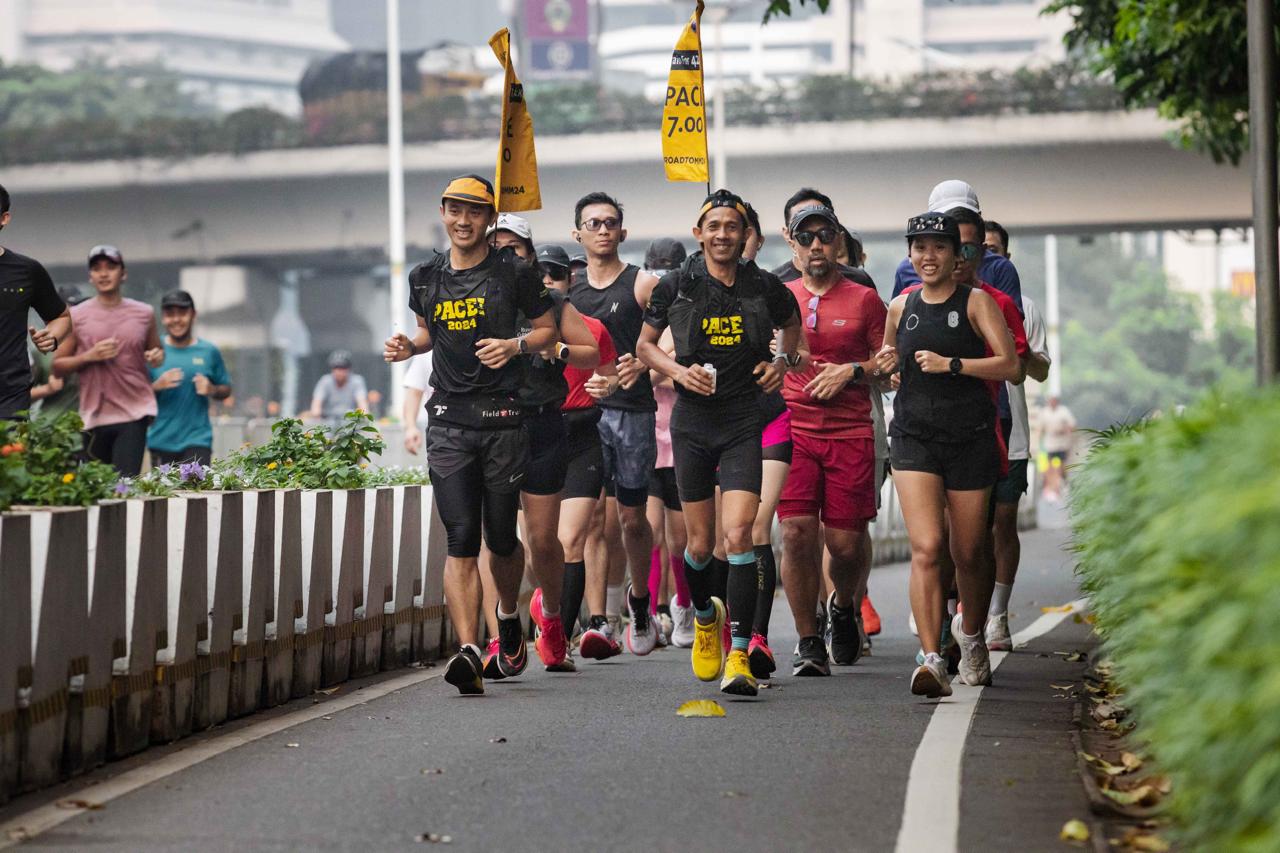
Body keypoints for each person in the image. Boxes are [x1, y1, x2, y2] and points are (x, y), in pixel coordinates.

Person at [384, 174, 556, 696]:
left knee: (501, 536)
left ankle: (507, 615)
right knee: (461, 535)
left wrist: (515, 345)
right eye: (456, 210)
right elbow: (429, 332)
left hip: (504, 420)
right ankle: (468, 649)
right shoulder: (425, 276)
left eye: (475, 212)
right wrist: (408, 348)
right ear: (442, 212)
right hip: (449, 423)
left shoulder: (515, 274)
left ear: (490, 218)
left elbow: (547, 330)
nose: (464, 221)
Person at [638, 188, 801, 697]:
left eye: (733, 227)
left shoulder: (765, 286)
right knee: (699, 545)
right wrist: (678, 372)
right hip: (692, 425)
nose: (723, 235)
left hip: (742, 422)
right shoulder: (677, 285)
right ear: (699, 234)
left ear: (745, 234)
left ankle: (737, 654)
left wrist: (780, 363)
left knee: (741, 536)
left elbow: (792, 327)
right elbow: (644, 347)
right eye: (715, 227)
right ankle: (706, 614)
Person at [879, 212, 1020, 698]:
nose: (928, 257)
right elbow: (886, 369)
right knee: (927, 548)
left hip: (970, 438)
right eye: (918, 248)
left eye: (938, 247)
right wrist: (884, 371)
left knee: (970, 552)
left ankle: (973, 635)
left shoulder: (977, 302)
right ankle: (933, 658)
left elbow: (1012, 366)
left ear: (957, 254)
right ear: (910, 254)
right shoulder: (900, 307)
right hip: (914, 438)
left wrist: (952, 364)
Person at [777, 204, 887, 676]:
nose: (816, 245)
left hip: (849, 432)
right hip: (793, 430)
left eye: (825, 236)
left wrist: (852, 371)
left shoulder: (864, 298)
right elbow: (765, 359)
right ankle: (807, 639)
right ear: (793, 245)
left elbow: (890, 361)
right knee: (796, 534)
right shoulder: (780, 298)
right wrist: (782, 361)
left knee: (845, 545)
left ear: (838, 241)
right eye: (807, 237)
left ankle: (843, 605)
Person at [568, 192, 665, 657]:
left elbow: (671, 340)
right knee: (591, 520)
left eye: (610, 223)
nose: (602, 230)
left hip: (633, 414)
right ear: (578, 234)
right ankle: (600, 621)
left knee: (630, 518)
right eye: (593, 223)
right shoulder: (567, 292)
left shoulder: (642, 284)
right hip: (586, 416)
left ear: (622, 233)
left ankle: (641, 601)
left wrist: (642, 367)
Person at [508, 226, 602, 675]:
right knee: (499, 539)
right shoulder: (479, 300)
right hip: (497, 429)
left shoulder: (557, 308)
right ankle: (499, 634)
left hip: (566, 430)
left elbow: (596, 357)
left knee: (555, 542)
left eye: (553, 271)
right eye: (499, 247)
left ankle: (554, 618)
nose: (547, 276)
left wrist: (558, 350)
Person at [535, 243, 620, 671]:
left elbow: (609, 376)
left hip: (584, 434)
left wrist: (606, 386)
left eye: (556, 274)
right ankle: (542, 611)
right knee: (540, 545)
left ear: (569, 282)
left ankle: (559, 639)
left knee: (572, 540)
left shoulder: (592, 330)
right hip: (538, 438)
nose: (548, 281)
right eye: (541, 274)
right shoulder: (518, 334)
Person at [983, 220, 1051, 651]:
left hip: (1015, 435)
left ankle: (997, 616)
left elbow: (1040, 369)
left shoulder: (1023, 305)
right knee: (966, 528)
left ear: (1006, 259)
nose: (985, 258)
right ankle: (955, 610)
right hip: (969, 431)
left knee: (1002, 524)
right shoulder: (953, 302)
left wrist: (1013, 351)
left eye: (993, 252)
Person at [53, 245, 164, 477]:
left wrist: (156, 356)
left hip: (134, 411)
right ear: (90, 277)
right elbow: (58, 365)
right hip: (93, 416)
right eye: (96, 268)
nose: (103, 273)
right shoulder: (77, 315)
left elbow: (156, 350)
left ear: (123, 273)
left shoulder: (144, 313)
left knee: (125, 486)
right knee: (99, 489)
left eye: (110, 267)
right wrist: (89, 356)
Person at [641, 237, 692, 648]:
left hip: (682, 434)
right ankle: (651, 613)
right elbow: (647, 369)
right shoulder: (638, 318)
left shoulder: (687, 312)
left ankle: (684, 605)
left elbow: (660, 370)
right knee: (649, 530)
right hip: (644, 434)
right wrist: (662, 362)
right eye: (654, 266)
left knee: (681, 536)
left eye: (668, 267)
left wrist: (659, 363)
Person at [0, 183, 73, 421]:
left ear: (4, 218)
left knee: (11, 458)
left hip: (11, 393)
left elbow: (61, 317)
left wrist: (51, 337)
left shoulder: (27, 270)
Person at [892, 180, 1022, 312]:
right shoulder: (907, 270)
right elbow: (897, 321)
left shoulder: (999, 268)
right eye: (947, 217)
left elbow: (1010, 320)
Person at [146, 290, 232, 468]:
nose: (176, 320)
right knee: (163, 495)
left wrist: (212, 389)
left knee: (197, 494)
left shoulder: (209, 351)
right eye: (170, 314)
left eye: (182, 313)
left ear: (194, 315)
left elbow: (226, 389)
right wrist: (156, 386)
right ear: (163, 318)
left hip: (198, 439)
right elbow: (134, 394)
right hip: (161, 440)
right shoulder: (153, 350)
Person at [771, 188, 877, 291]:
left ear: (839, 238)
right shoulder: (774, 284)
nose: (816, 245)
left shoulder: (859, 281)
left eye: (824, 233)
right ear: (788, 235)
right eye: (804, 235)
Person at [310, 350, 369, 426]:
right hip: (328, 422)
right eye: (336, 367)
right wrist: (316, 416)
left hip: (350, 423)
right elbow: (316, 403)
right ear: (332, 369)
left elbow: (362, 404)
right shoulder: (325, 381)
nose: (339, 371)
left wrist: (364, 417)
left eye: (343, 368)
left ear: (349, 369)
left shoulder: (357, 381)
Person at [1039, 396, 1076, 501]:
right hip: (1049, 443)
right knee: (1050, 466)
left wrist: (1065, 431)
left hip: (1062, 443)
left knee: (1062, 465)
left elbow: (1072, 425)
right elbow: (1040, 428)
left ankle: (1064, 481)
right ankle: (1051, 487)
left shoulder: (1064, 411)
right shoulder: (1044, 412)